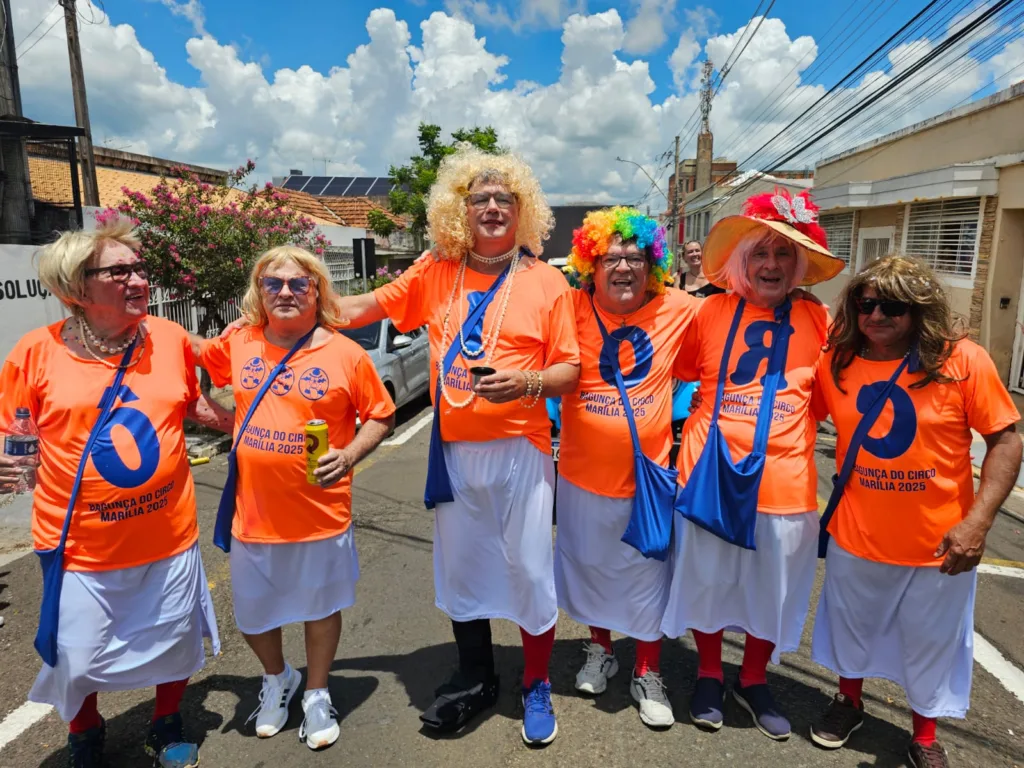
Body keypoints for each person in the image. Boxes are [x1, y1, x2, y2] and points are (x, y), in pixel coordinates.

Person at [298, 146, 581, 745]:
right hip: (453, 450)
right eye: (481, 198)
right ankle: (475, 675)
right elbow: (359, 308)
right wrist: (291, 295)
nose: (494, 207)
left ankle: (535, 681)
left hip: (521, 450)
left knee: (530, 570)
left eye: (506, 198)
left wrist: (527, 382)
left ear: (522, 210)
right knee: (463, 570)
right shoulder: (434, 271)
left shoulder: (547, 281)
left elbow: (570, 370)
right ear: (461, 209)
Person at [0, 221, 229, 768]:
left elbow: (189, 405)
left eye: (139, 267)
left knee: (174, 641)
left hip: (167, 534)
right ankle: (85, 730)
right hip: (78, 544)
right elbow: (18, 438)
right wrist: (10, 466)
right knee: (75, 656)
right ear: (77, 288)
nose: (138, 279)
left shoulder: (170, 338)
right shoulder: (34, 354)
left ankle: (166, 722)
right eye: (120, 271)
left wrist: (253, 427)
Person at [808, 255, 1021, 768]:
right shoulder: (835, 362)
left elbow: (1006, 440)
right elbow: (793, 417)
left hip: (940, 544)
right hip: (858, 536)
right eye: (866, 304)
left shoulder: (963, 361)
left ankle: (924, 735)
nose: (877, 315)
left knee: (931, 643)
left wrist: (979, 521)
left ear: (920, 309)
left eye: (893, 305)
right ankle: (848, 702)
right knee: (851, 627)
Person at [195, 246, 395, 752]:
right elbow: (189, 368)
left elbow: (381, 415)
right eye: (273, 283)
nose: (285, 292)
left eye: (298, 284)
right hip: (253, 514)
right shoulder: (238, 341)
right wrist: (223, 423)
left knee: (320, 607)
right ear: (258, 292)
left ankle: (318, 691)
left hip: (321, 515)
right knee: (254, 615)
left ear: (317, 291)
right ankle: (277, 676)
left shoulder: (345, 353)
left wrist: (349, 455)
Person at [662, 189, 843, 740]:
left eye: (783, 254)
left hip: (786, 478)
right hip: (709, 469)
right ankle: (711, 673)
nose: (771, 264)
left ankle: (755, 676)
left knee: (775, 587)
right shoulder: (710, 310)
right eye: (760, 253)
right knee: (709, 581)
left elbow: (834, 397)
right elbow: (684, 374)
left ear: (800, 263)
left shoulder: (822, 320)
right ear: (741, 259)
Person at [556, 207, 699, 728]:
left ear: (653, 266)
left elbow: (736, 307)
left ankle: (647, 668)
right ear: (589, 266)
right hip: (578, 478)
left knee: (646, 581)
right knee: (591, 570)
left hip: (647, 482)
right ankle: (600, 649)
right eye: (609, 258)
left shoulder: (680, 308)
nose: (622, 267)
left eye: (634, 257)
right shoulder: (567, 306)